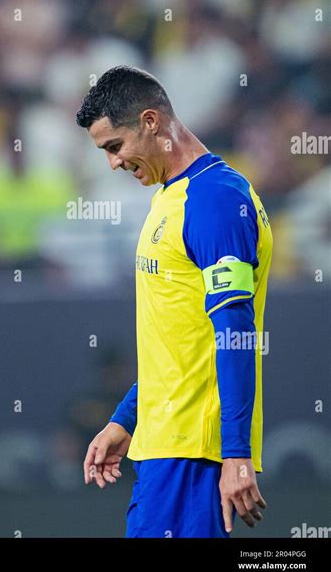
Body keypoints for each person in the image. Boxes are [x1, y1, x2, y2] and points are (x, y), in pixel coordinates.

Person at [77, 66, 272, 538]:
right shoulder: (171, 195)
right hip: (163, 445)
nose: (113, 163)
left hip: (194, 454)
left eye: (114, 147)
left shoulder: (215, 201)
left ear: (150, 121)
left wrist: (236, 454)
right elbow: (178, 344)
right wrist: (126, 419)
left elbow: (236, 333)